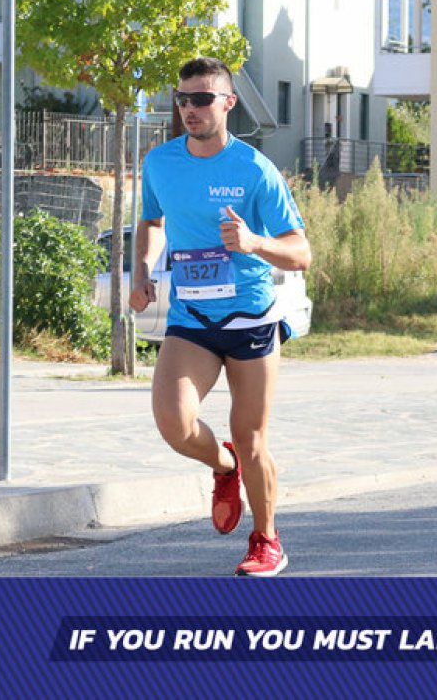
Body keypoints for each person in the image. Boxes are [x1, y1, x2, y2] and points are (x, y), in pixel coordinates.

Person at [130, 56, 312, 576]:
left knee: (253, 438)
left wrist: (254, 242)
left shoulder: (254, 169)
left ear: (228, 103)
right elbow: (151, 221)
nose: (190, 108)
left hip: (250, 318)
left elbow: (301, 253)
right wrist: (142, 269)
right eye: (183, 99)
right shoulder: (160, 163)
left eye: (202, 99)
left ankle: (266, 540)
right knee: (174, 423)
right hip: (191, 317)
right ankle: (222, 464)